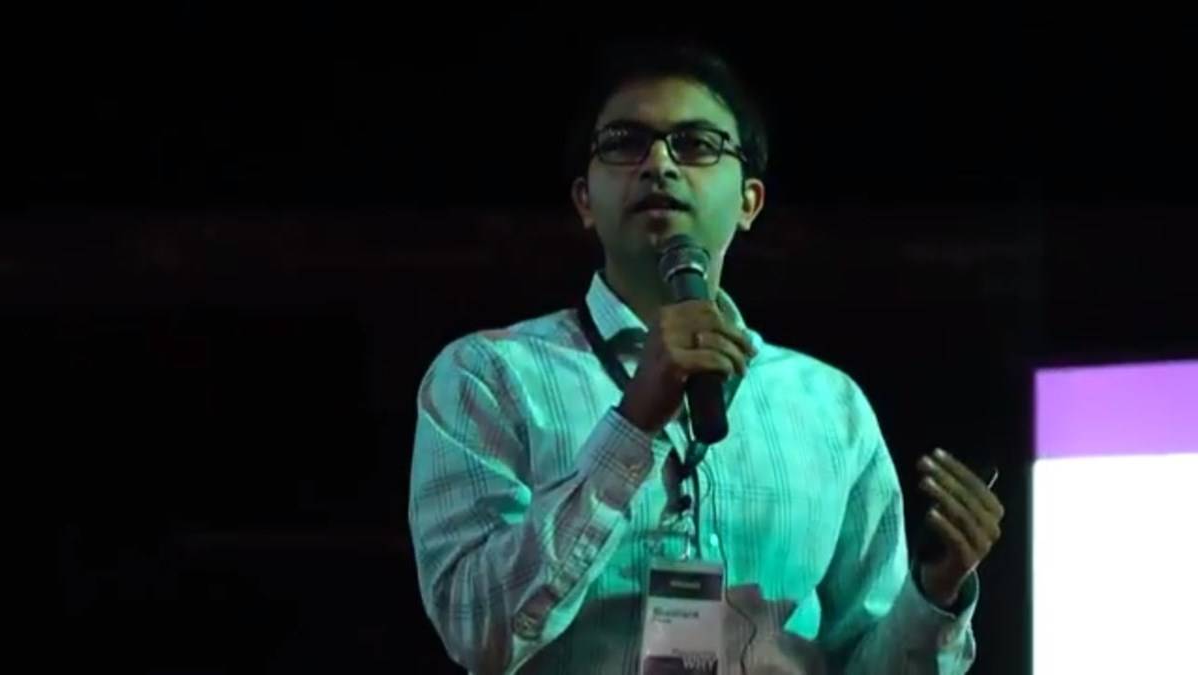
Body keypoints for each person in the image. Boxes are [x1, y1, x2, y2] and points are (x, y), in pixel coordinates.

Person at [408, 42, 1005, 674]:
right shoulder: (489, 376)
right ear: (584, 199)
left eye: (695, 144)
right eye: (625, 143)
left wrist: (935, 594)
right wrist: (632, 425)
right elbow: (479, 633)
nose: (659, 163)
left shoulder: (830, 408)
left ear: (749, 201)